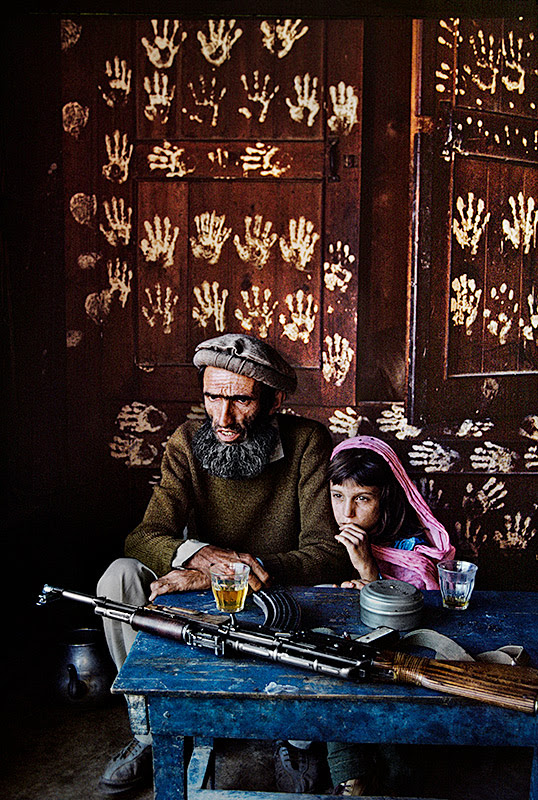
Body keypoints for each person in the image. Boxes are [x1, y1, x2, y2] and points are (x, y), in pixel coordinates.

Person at [96, 333, 347, 796]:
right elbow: (143, 536)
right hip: (201, 600)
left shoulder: (307, 442)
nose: (222, 417)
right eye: (212, 397)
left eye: (240, 401)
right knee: (119, 576)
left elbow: (327, 553)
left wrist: (238, 570)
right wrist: (200, 558)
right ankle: (150, 728)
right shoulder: (188, 440)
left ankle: (295, 736)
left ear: (274, 402)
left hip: (276, 596)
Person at [325, 434, 455, 795]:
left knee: (382, 698)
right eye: (337, 496)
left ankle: (392, 774)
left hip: (402, 663)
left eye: (362, 499)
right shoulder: (325, 537)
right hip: (348, 656)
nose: (347, 513)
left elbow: (418, 616)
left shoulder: (412, 552)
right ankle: (353, 778)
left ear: (386, 498)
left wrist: (368, 572)